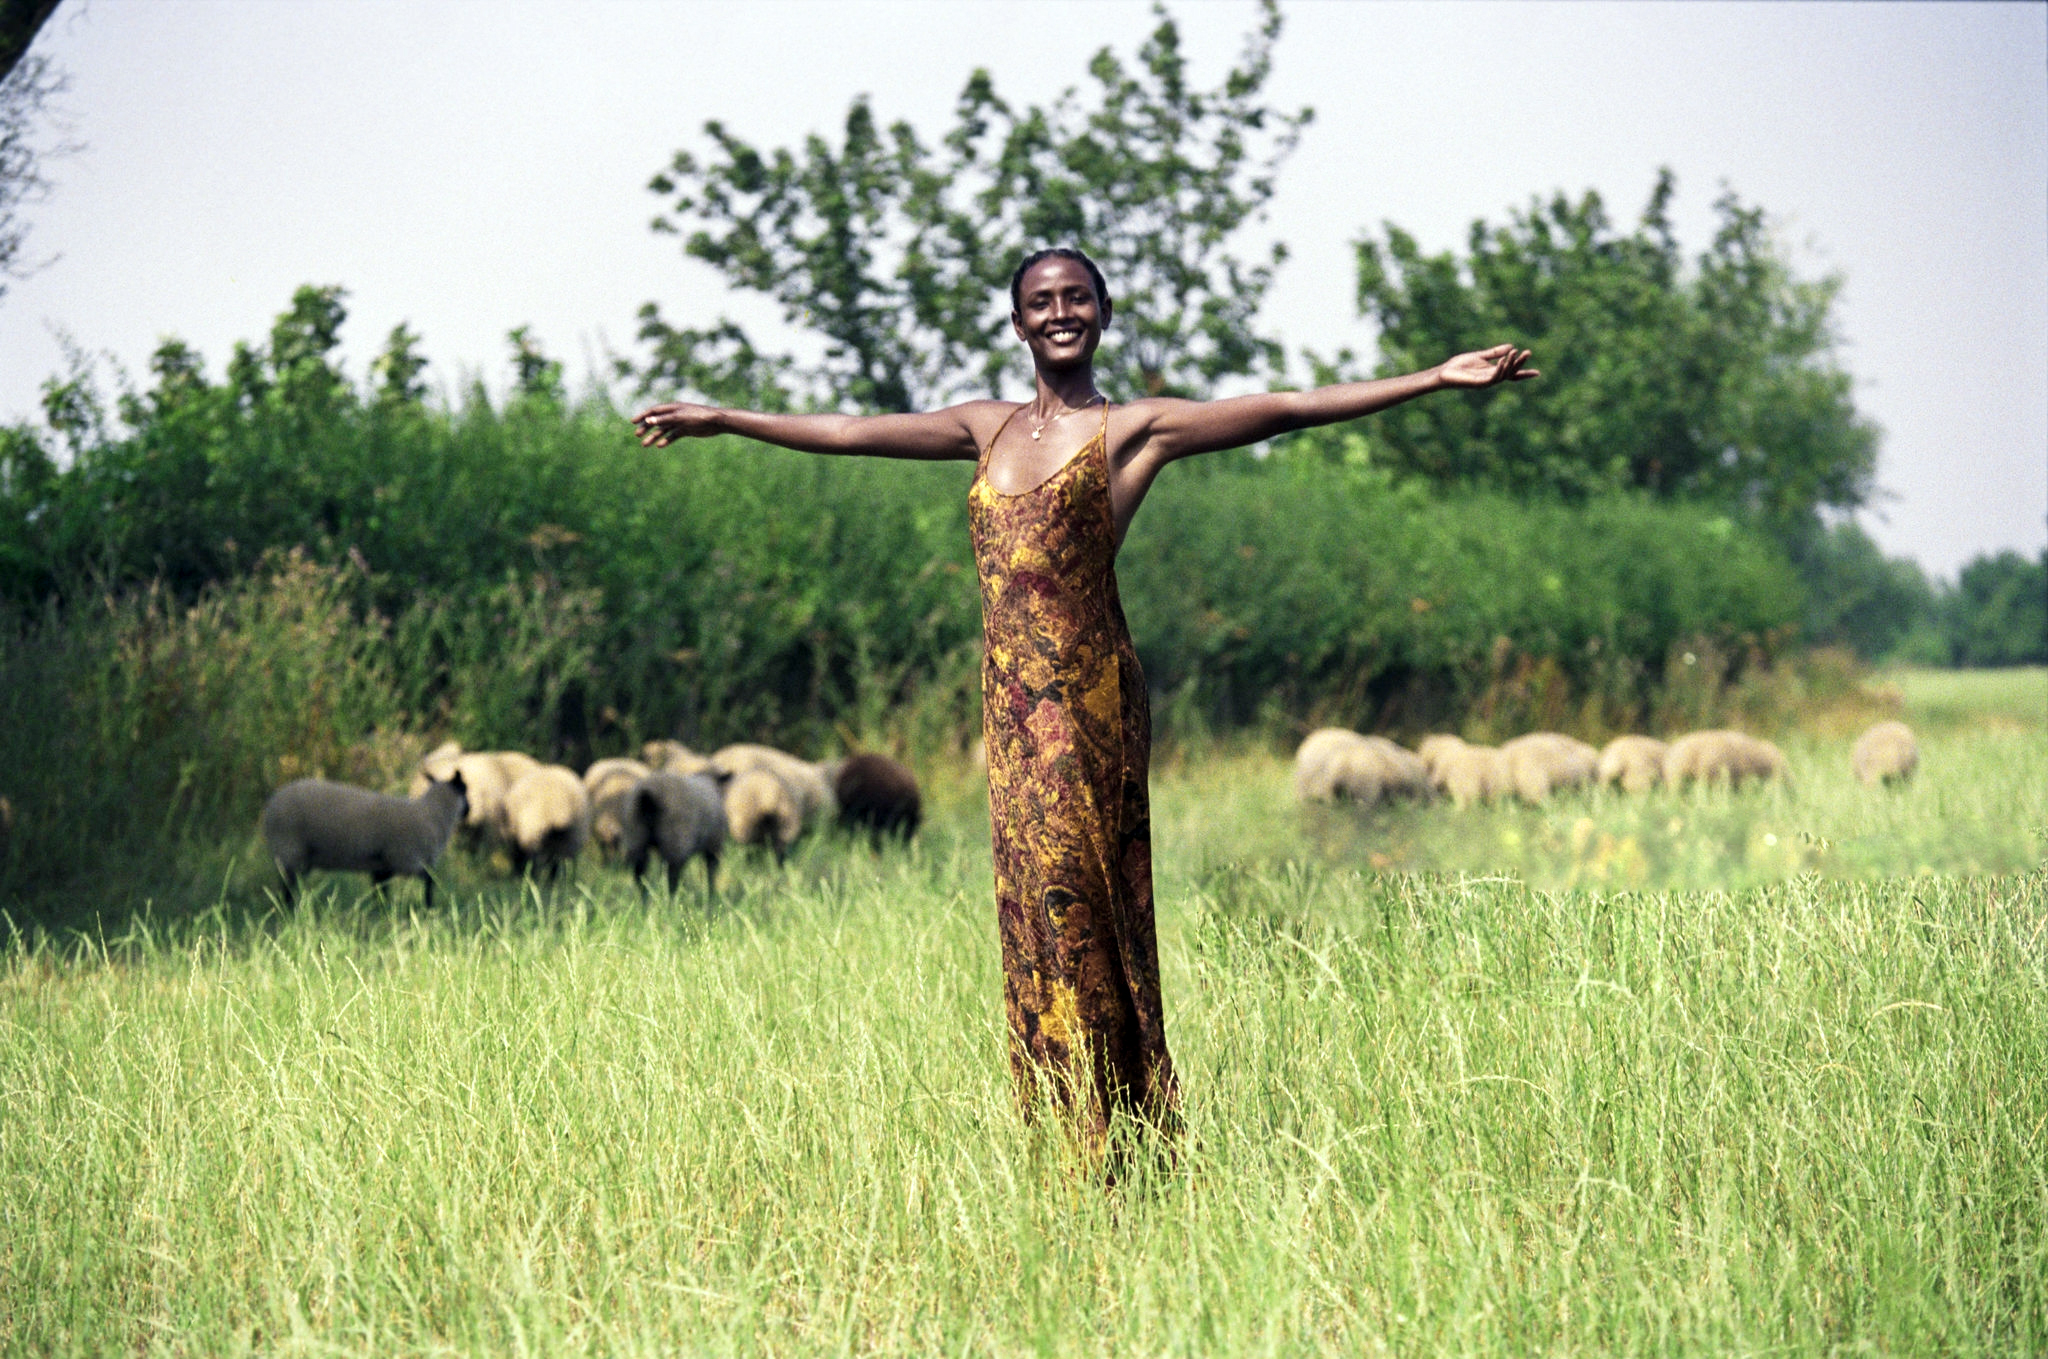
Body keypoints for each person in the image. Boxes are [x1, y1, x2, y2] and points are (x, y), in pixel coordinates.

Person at [634, 247, 1536, 1152]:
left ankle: (1124, 1116)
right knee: (1029, 907)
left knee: (1084, 896)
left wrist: (1432, 378)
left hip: (1087, 700)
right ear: (1018, 323)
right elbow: (846, 431)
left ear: (1102, 313)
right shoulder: (982, 428)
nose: (1060, 311)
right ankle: (1064, 1118)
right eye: (1041, 301)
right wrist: (726, 419)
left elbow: (1288, 408)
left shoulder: (1134, 429)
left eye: (1076, 297)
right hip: (1010, 711)